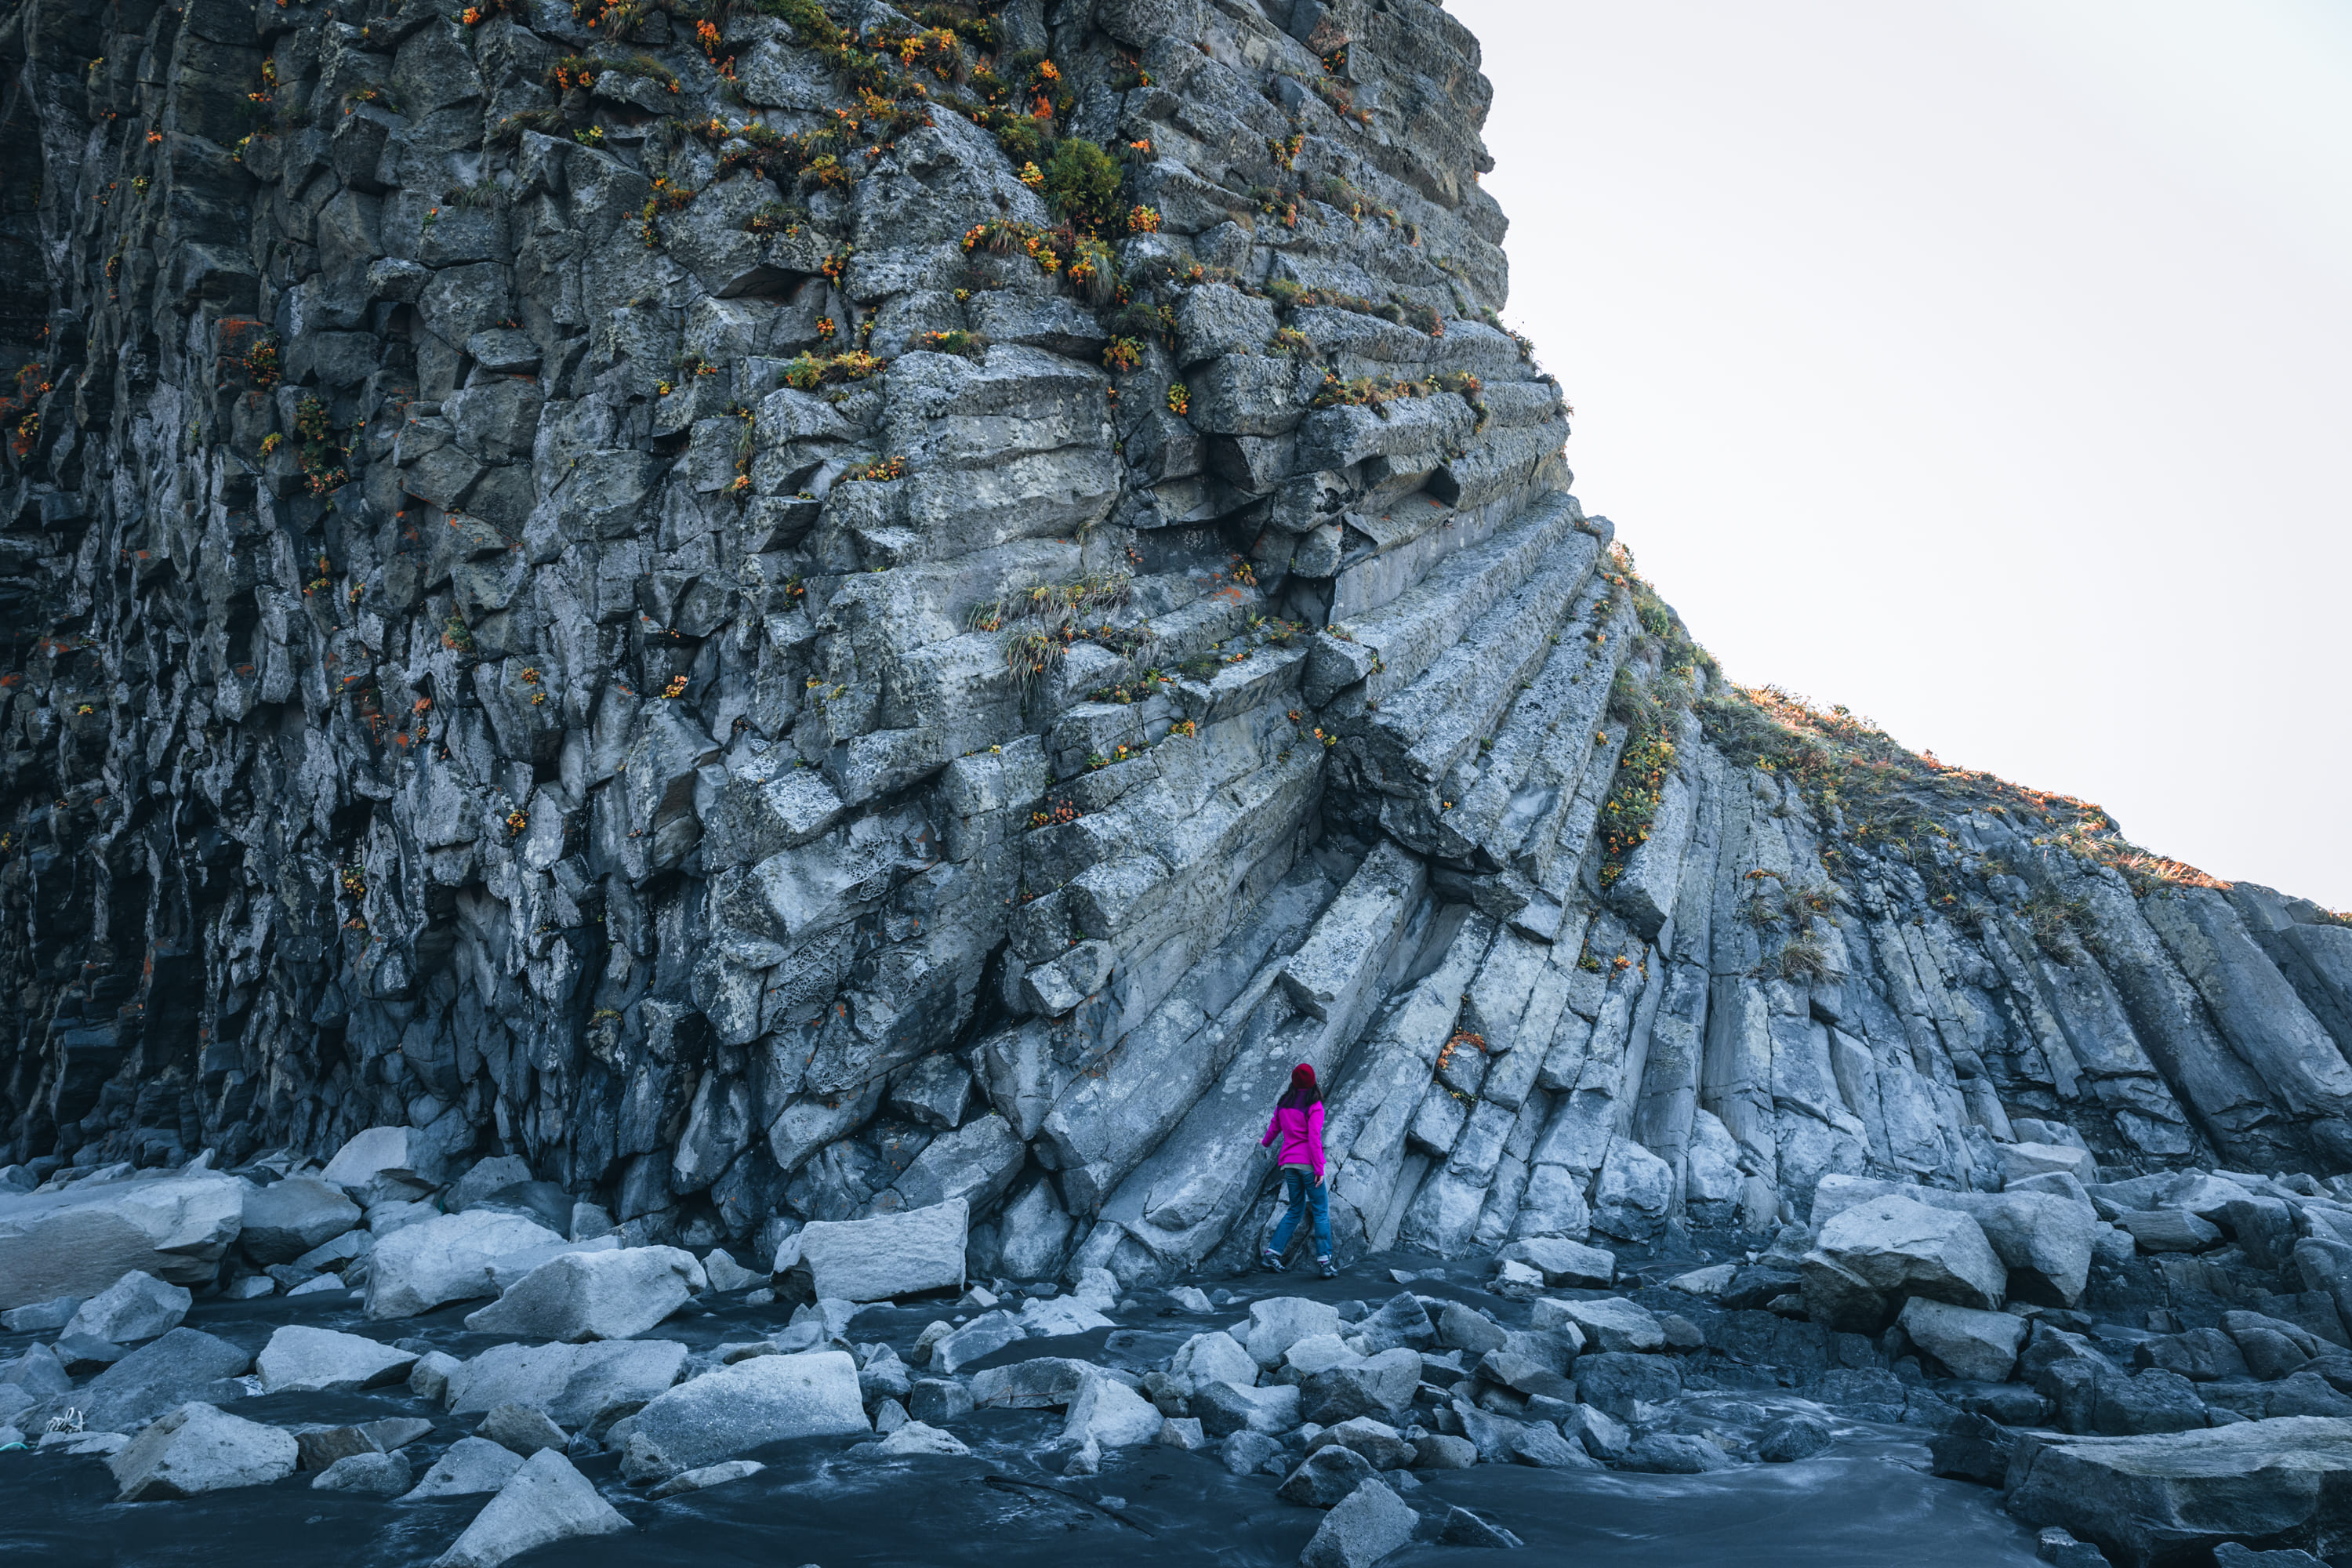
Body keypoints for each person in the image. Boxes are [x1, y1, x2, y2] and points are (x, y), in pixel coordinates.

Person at [1260, 1062, 1337, 1278]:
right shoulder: (1315, 1105)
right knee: (1321, 1211)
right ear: (1313, 1082)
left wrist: (1265, 1143)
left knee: (1295, 1209)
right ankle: (1325, 1262)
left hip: (1289, 1165)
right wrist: (1319, 1168)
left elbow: (1275, 1126)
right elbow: (1314, 1138)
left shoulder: (1284, 1103)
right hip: (1308, 1165)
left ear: (1293, 1081)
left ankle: (1272, 1254)